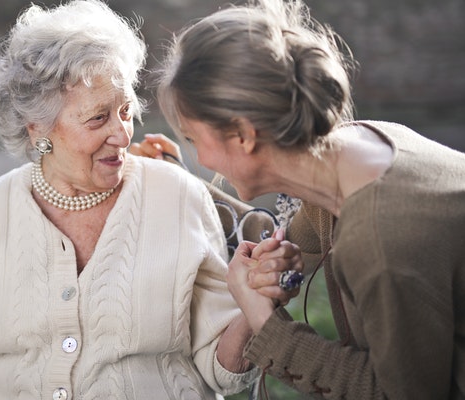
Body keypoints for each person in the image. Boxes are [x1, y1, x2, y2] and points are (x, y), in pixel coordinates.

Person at [0, 1, 304, 399]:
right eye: (98, 118)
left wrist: (254, 304)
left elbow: (223, 370)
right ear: (37, 130)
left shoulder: (178, 196)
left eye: (126, 111)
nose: (122, 134)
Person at [147, 0, 465, 398]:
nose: (202, 158)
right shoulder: (361, 144)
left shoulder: (381, 241)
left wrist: (267, 325)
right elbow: (288, 241)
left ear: (243, 135)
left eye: (194, 140)